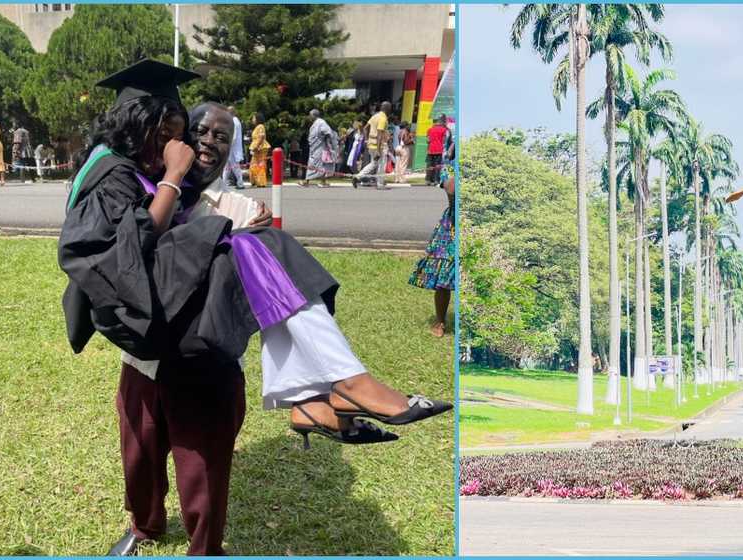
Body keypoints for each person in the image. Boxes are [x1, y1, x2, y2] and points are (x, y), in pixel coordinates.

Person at [58, 61, 450, 556]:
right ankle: (146, 523)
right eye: (189, 131)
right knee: (139, 454)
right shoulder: (133, 176)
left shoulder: (239, 204)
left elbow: (272, 298)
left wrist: (230, 227)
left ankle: (210, 542)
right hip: (146, 352)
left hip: (203, 360)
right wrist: (176, 183)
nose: (199, 144)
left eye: (219, 138)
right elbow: (117, 250)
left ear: (232, 150)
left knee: (205, 466)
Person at [408, 149, 455, 337]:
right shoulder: (449, 168)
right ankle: (440, 320)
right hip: (451, 228)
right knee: (443, 279)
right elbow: (451, 189)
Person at [353, 101, 391, 189]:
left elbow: (365, 128)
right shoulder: (383, 118)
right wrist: (378, 150)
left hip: (371, 145)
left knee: (373, 163)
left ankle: (358, 177)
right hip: (379, 146)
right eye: (390, 108)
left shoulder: (375, 116)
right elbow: (380, 133)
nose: (390, 110)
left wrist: (366, 140)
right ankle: (380, 184)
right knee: (382, 164)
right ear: (387, 109)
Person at [301, 109, 337, 187]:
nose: (309, 117)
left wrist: (327, 144)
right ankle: (306, 181)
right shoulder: (315, 123)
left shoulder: (321, 122)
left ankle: (322, 182)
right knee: (312, 164)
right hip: (314, 148)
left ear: (314, 115)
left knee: (321, 165)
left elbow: (328, 133)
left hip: (320, 147)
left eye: (310, 115)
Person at [224, 105, 245, 189]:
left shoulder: (234, 121)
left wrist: (227, 145)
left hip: (232, 148)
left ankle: (240, 183)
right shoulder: (235, 121)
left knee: (235, 167)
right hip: (232, 148)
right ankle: (224, 184)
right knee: (227, 166)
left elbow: (234, 136)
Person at [248, 112, 269, 187]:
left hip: (260, 148)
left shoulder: (260, 126)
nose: (252, 119)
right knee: (254, 165)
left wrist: (256, 146)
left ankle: (261, 182)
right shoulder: (258, 127)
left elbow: (261, 137)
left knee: (259, 165)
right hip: (257, 148)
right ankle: (255, 181)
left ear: (257, 119)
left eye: (254, 118)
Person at [425, 116, 448, 186]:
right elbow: (444, 141)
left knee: (430, 165)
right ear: (440, 122)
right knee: (437, 165)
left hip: (430, 150)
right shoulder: (443, 130)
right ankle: (436, 180)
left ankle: (428, 180)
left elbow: (428, 140)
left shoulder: (429, 129)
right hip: (439, 150)